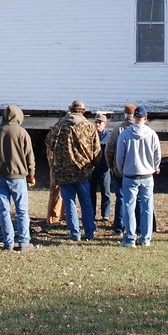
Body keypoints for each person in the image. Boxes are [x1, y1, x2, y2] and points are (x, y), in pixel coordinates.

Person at [45, 100, 101, 241]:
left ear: (71, 110)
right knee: (86, 201)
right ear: (83, 110)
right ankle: (89, 231)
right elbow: (97, 151)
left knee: (69, 202)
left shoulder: (60, 126)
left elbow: (49, 142)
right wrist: (93, 165)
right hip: (82, 171)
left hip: (63, 172)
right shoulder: (89, 127)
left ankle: (74, 233)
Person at [0, 104, 36, 251]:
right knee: (22, 210)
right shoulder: (22, 133)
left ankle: (8, 243)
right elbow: (29, 157)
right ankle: (24, 242)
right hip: (19, 178)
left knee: (4, 210)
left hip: (0, 177)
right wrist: (31, 175)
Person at [114, 106, 160, 247]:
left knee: (129, 206)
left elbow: (119, 157)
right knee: (147, 206)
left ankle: (129, 238)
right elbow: (157, 155)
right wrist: (154, 167)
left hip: (130, 174)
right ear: (145, 118)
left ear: (134, 117)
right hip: (147, 175)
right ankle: (146, 238)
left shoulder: (125, 134)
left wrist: (122, 170)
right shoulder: (152, 134)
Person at [105, 105, 137, 235]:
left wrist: (111, 165)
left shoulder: (118, 130)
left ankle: (119, 226)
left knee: (121, 198)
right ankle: (139, 226)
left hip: (120, 170)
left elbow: (109, 150)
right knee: (139, 199)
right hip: (138, 171)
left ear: (125, 115)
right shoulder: (145, 130)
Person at [90, 114, 112, 221]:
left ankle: (105, 214)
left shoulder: (109, 136)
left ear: (105, 124)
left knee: (106, 192)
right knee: (91, 191)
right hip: (92, 168)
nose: (97, 124)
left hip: (104, 168)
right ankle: (92, 213)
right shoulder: (90, 135)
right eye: (96, 122)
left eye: (100, 122)